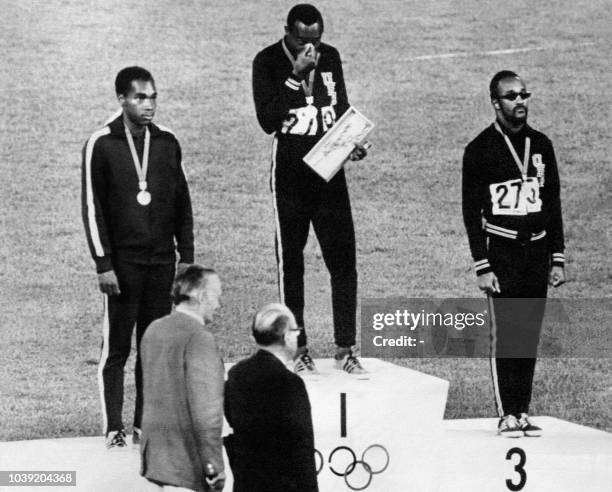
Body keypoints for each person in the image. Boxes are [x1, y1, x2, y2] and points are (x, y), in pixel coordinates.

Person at [81, 66, 194, 449]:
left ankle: (145, 425)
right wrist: (103, 264)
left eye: (153, 97)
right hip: (123, 266)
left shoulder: (166, 142)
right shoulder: (102, 143)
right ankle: (114, 428)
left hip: (162, 262)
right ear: (121, 99)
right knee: (117, 349)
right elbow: (91, 207)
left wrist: (186, 257)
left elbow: (182, 203)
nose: (149, 105)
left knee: (153, 346)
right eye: (140, 97)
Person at [252, 3, 368, 375]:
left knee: (343, 259)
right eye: (303, 40)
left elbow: (341, 106)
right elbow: (267, 120)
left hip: (329, 172)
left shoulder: (330, 58)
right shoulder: (267, 61)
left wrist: (353, 140)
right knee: (292, 263)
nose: (311, 48)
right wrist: (294, 76)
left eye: (316, 40)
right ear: (287, 32)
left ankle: (346, 347)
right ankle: (297, 347)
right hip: (290, 176)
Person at [462, 70, 566, 437]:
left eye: (524, 94)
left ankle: (523, 411)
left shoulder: (541, 145)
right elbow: (470, 212)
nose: (520, 101)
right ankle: (507, 412)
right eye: (511, 96)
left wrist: (557, 256)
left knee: (529, 334)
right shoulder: (480, 150)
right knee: (507, 335)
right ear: (495, 102)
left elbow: (552, 203)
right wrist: (482, 265)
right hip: (502, 252)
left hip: (536, 252)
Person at [140, 265, 225, 492]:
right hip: (186, 465)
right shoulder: (200, 338)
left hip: (156, 461)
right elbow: (206, 413)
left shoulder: (153, 330)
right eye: (216, 296)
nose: (218, 304)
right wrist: (213, 465)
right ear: (200, 296)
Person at [224, 303, 318, 492]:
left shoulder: (236, 374)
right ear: (287, 336)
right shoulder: (290, 383)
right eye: (296, 332)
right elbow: (303, 452)